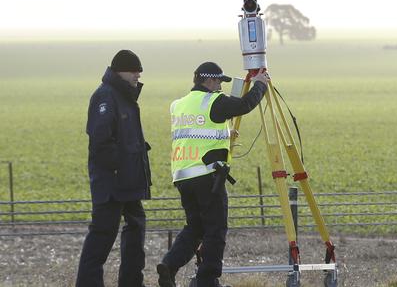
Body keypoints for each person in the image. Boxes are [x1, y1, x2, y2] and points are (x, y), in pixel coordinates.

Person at [157, 62, 269, 287]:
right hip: (207, 176)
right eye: (219, 81)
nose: (220, 87)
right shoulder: (213, 101)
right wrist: (260, 85)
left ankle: (169, 266)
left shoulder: (178, 105)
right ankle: (207, 280)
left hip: (183, 175)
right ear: (208, 80)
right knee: (216, 229)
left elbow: (200, 130)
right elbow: (245, 104)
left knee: (195, 227)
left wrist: (226, 133)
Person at [76, 49, 152, 287]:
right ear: (119, 72)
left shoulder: (124, 96)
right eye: (134, 70)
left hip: (128, 182)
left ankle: (131, 282)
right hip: (112, 184)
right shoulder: (106, 96)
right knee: (102, 237)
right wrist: (118, 167)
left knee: (136, 229)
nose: (138, 74)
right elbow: (100, 141)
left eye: (139, 70)